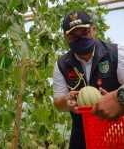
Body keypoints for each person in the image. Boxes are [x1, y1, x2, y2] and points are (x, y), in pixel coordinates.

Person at [53, 9, 124, 149]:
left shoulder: (117, 54)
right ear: (66, 39)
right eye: (73, 37)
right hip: (82, 136)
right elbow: (58, 103)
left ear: (94, 30)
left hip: (116, 130)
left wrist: (117, 97)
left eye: (85, 33)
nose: (80, 39)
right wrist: (68, 101)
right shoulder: (61, 65)